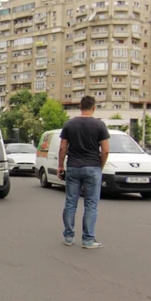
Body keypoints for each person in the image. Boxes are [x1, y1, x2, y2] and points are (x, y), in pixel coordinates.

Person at [57, 96, 110, 249]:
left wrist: (61, 166)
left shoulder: (69, 124)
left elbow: (62, 148)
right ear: (94, 108)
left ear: (80, 106)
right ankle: (88, 240)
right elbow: (105, 150)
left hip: (73, 166)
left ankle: (68, 236)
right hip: (93, 166)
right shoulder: (100, 125)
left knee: (70, 202)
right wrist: (100, 166)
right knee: (91, 204)